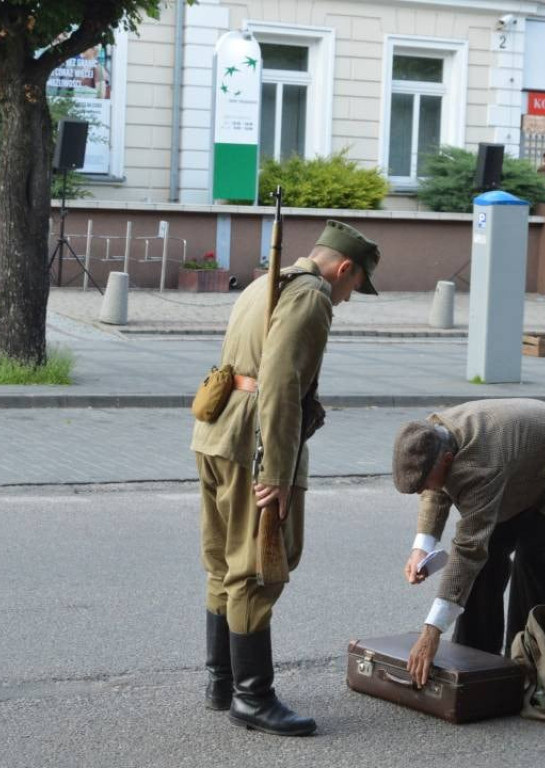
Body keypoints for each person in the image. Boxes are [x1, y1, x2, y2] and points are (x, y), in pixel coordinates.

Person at [191, 220, 382, 737]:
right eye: (354, 287)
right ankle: (252, 698)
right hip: (255, 440)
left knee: (221, 562)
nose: (347, 299)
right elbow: (279, 382)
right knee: (256, 566)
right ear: (344, 269)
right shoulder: (312, 295)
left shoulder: (265, 282)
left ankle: (222, 681)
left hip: (216, 432)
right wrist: (275, 470)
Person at [390, 399, 545, 688]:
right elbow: (437, 490)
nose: (423, 491)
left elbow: (469, 548)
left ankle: (534, 659)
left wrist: (431, 633)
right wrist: (421, 548)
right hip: (523, 467)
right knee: (490, 552)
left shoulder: (478, 466)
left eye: (424, 483)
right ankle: (475, 655)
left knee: (531, 556)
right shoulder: (433, 436)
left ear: (448, 460)